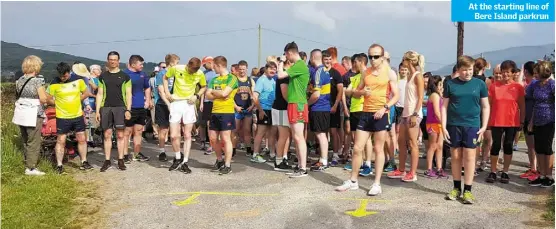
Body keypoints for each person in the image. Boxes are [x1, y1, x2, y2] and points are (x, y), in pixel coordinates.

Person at [335, 44, 399, 196]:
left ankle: (377, 183)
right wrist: (361, 91)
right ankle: (353, 181)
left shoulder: (389, 73)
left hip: (380, 113)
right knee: (357, 148)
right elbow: (355, 93)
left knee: (378, 149)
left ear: (382, 57)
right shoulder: (365, 73)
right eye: (370, 56)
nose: (373, 59)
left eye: (376, 56)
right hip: (365, 113)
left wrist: (384, 108)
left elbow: (396, 96)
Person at [442, 55, 489, 204]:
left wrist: (484, 126)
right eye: (464, 70)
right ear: (459, 70)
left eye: (470, 69)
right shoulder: (450, 84)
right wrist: (443, 126)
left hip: (472, 125)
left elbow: (486, 106)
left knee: (469, 157)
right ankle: (456, 188)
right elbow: (444, 106)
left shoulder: (479, 84)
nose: (467, 73)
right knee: (455, 156)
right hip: (454, 124)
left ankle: (468, 191)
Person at [47, 62, 93, 173]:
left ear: (69, 72)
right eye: (61, 76)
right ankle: (59, 165)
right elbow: (48, 98)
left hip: (77, 115)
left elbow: (86, 93)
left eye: (65, 75)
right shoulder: (54, 83)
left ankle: (84, 162)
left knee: (81, 139)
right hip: (62, 117)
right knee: (61, 140)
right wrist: (57, 103)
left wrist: (78, 100)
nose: (63, 78)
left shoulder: (78, 80)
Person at [163, 56, 206, 173]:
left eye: (194, 71)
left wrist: (196, 96)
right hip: (176, 103)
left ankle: (185, 162)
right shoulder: (177, 68)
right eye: (191, 70)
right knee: (174, 135)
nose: (192, 73)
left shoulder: (200, 74)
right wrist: (167, 92)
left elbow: (203, 87)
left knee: (187, 135)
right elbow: (165, 78)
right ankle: (177, 157)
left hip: (189, 103)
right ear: (188, 65)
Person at [485, 60, 525, 184]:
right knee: (495, 145)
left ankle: (505, 171)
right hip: (496, 120)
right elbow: (489, 105)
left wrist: (522, 122)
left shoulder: (518, 87)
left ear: (513, 73)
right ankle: (493, 171)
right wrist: (487, 122)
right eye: (503, 72)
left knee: (508, 145)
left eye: (508, 72)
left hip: (512, 122)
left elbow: (522, 105)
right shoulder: (494, 86)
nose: (505, 74)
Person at [387, 51, 424, 182]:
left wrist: (415, 114)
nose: (402, 62)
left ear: (409, 61)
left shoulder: (418, 76)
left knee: (413, 143)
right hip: (405, 113)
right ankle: (401, 170)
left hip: (414, 113)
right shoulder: (409, 76)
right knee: (401, 141)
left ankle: (413, 173)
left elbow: (420, 97)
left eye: (404, 60)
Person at [277, 41, 310, 178]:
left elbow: (280, 76)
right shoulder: (297, 66)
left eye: (286, 55)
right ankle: (300, 166)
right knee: (296, 137)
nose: (286, 58)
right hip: (293, 103)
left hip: (298, 103)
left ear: (290, 53)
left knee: (298, 136)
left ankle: (303, 168)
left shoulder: (300, 65)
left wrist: (280, 63)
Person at [96, 51, 132, 172]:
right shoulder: (103, 76)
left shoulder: (125, 76)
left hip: (120, 107)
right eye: (110, 59)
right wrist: (97, 111)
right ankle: (107, 160)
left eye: (115, 59)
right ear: (108, 60)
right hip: (106, 107)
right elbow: (99, 94)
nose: (112, 61)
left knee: (120, 135)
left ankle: (121, 160)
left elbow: (128, 94)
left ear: (118, 61)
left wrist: (128, 109)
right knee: (107, 135)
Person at [15, 55, 48, 176]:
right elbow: (43, 99)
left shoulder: (19, 81)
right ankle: (31, 167)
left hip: (21, 112)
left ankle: (26, 161)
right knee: (34, 140)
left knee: (25, 138)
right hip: (34, 113)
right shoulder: (37, 81)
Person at [206, 56, 238, 175]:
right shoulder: (214, 80)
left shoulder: (232, 78)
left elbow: (225, 93)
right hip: (215, 111)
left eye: (214, 66)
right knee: (213, 139)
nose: (213, 68)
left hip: (227, 112)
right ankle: (219, 160)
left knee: (225, 138)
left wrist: (215, 92)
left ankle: (227, 164)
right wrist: (218, 94)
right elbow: (207, 95)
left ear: (219, 65)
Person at [527, 61, 555, 187]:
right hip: (537, 118)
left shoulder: (552, 84)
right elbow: (533, 103)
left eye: (537, 72)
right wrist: (531, 122)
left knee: (547, 147)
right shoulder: (535, 85)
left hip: (549, 119)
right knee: (538, 147)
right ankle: (542, 174)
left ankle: (549, 176)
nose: (535, 74)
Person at [122, 55, 152, 163]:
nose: (142, 66)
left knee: (138, 131)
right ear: (133, 64)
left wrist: (147, 100)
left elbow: (147, 87)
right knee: (127, 132)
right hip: (129, 108)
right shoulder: (124, 74)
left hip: (141, 107)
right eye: (141, 64)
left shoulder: (143, 75)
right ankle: (125, 154)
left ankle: (137, 153)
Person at [307, 49, 331, 171]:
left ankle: (324, 161)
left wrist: (307, 104)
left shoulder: (318, 72)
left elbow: (316, 94)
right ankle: (323, 159)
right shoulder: (326, 71)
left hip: (318, 107)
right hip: (325, 107)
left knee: (320, 135)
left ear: (312, 58)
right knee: (322, 135)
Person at [251, 62, 277, 163]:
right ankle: (255, 154)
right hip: (264, 109)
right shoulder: (261, 80)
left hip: (272, 109)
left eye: (275, 69)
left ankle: (272, 154)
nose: (273, 71)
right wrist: (260, 110)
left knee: (272, 133)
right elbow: (255, 97)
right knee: (260, 133)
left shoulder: (273, 80)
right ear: (265, 69)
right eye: (271, 68)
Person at [323, 49, 344, 166]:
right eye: (325, 59)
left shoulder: (336, 73)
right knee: (322, 132)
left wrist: (336, 105)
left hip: (332, 107)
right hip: (321, 107)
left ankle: (335, 155)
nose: (328, 61)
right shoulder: (319, 72)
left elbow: (340, 90)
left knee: (333, 132)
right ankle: (324, 155)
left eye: (329, 59)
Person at [424, 75, 447, 178]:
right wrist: (443, 123)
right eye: (440, 84)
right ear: (436, 85)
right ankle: (429, 169)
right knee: (433, 146)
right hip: (434, 123)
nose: (442, 86)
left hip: (438, 123)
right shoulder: (435, 95)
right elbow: (437, 112)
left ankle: (439, 168)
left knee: (439, 146)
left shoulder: (437, 95)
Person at [520, 61, 539, 181]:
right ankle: (534, 167)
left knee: (531, 145)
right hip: (532, 116)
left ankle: (534, 168)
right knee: (533, 145)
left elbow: (520, 90)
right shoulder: (537, 83)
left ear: (526, 71)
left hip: (531, 117)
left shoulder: (532, 84)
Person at [271, 60, 292, 171]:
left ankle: (283, 157)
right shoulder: (283, 76)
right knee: (283, 136)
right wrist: (292, 105)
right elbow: (284, 93)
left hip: (284, 108)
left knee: (286, 136)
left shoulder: (286, 74)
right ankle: (278, 161)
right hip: (280, 108)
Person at [233, 60, 256, 157]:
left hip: (247, 109)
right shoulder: (234, 80)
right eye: (240, 69)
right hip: (237, 108)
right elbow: (230, 96)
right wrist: (236, 107)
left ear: (247, 69)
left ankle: (248, 148)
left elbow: (254, 95)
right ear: (238, 69)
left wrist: (252, 106)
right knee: (235, 130)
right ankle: (233, 149)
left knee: (247, 130)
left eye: (243, 69)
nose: (242, 71)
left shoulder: (250, 80)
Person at [154, 55, 175, 161]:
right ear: (171, 63)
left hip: (174, 103)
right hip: (162, 104)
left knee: (175, 129)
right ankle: (162, 151)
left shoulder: (176, 74)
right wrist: (168, 104)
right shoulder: (161, 73)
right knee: (163, 128)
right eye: (176, 62)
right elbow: (161, 91)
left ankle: (177, 153)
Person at [200, 56, 217, 154]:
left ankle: (217, 144)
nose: (204, 66)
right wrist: (202, 102)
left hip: (217, 101)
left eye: (205, 64)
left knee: (217, 123)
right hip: (207, 101)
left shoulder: (218, 73)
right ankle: (211, 144)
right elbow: (203, 89)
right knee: (208, 124)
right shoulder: (203, 74)